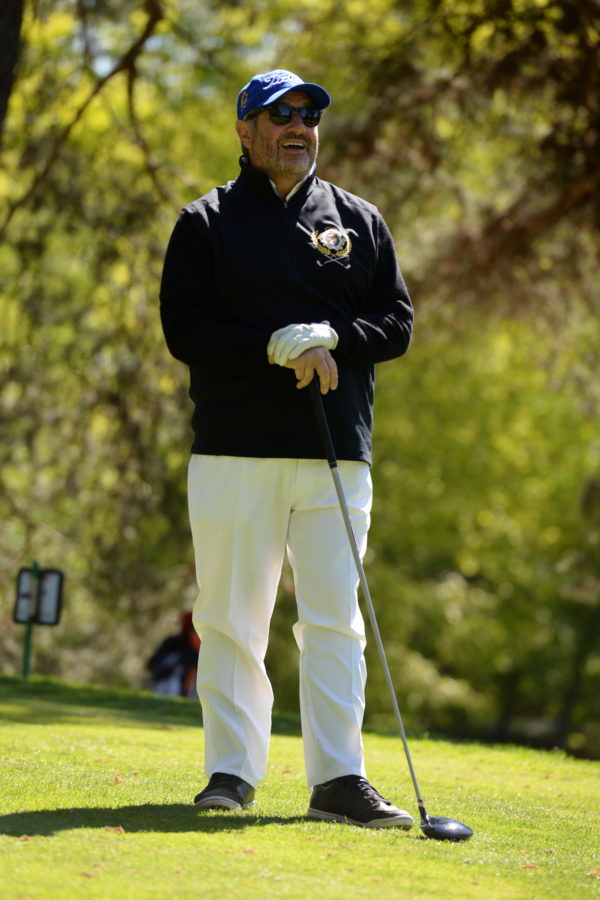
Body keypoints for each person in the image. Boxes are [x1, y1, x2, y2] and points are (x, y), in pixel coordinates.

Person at [159, 68, 414, 828]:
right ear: (245, 131)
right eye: (280, 115)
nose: (298, 126)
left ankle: (339, 779)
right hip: (236, 452)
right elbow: (187, 330)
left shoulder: (358, 220)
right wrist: (272, 346)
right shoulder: (204, 222)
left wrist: (336, 335)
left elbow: (396, 322)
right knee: (232, 619)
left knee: (336, 619)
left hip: (337, 451)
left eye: (308, 114)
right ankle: (231, 772)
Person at [146, 610, 200, 698]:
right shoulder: (176, 642)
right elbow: (153, 663)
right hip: (168, 681)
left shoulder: (196, 642)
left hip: (188, 685)